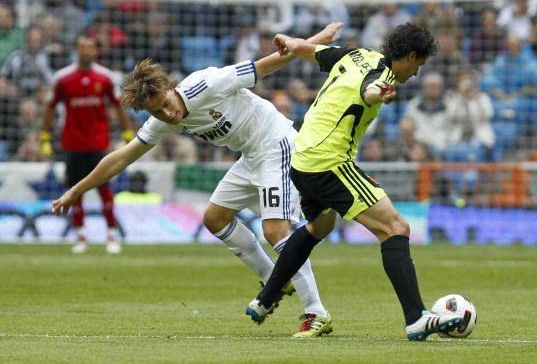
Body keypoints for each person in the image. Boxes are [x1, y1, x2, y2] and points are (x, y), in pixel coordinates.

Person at [51, 23, 343, 338]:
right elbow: (122, 157)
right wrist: (75, 191)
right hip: (250, 155)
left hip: (276, 143)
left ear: (170, 87)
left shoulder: (206, 83)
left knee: (275, 231)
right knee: (215, 218)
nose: (169, 114)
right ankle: (276, 278)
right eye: (158, 113)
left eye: (166, 104)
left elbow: (267, 65)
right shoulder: (160, 118)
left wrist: (314, 43)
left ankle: (316, 312)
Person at [246, 23, 464, 341]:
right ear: (411, 56)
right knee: (395, 228)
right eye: (419, 65)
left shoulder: (357, 54)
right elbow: (369, 90)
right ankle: (416, 318)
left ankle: (265, 300)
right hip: (327, 163)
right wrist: (381, 93)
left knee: (319, 227)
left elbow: (311, 50)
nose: (416, 73)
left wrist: (291, 41)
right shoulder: (382, 77)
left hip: (302, 156)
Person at [41, 35, 134, 254]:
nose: (86, 51)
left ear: (95, 51)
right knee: (75, 191)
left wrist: (127, 131)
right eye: (82, 47)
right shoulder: (62, 78)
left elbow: (118, 106)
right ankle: (80, 236)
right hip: (72, 144)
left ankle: (111, 235)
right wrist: (44, 136)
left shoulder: (105, 77)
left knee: (104, 190)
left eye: (90, 47)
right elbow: (50, 107)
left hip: (98, 144)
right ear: (76, 50)